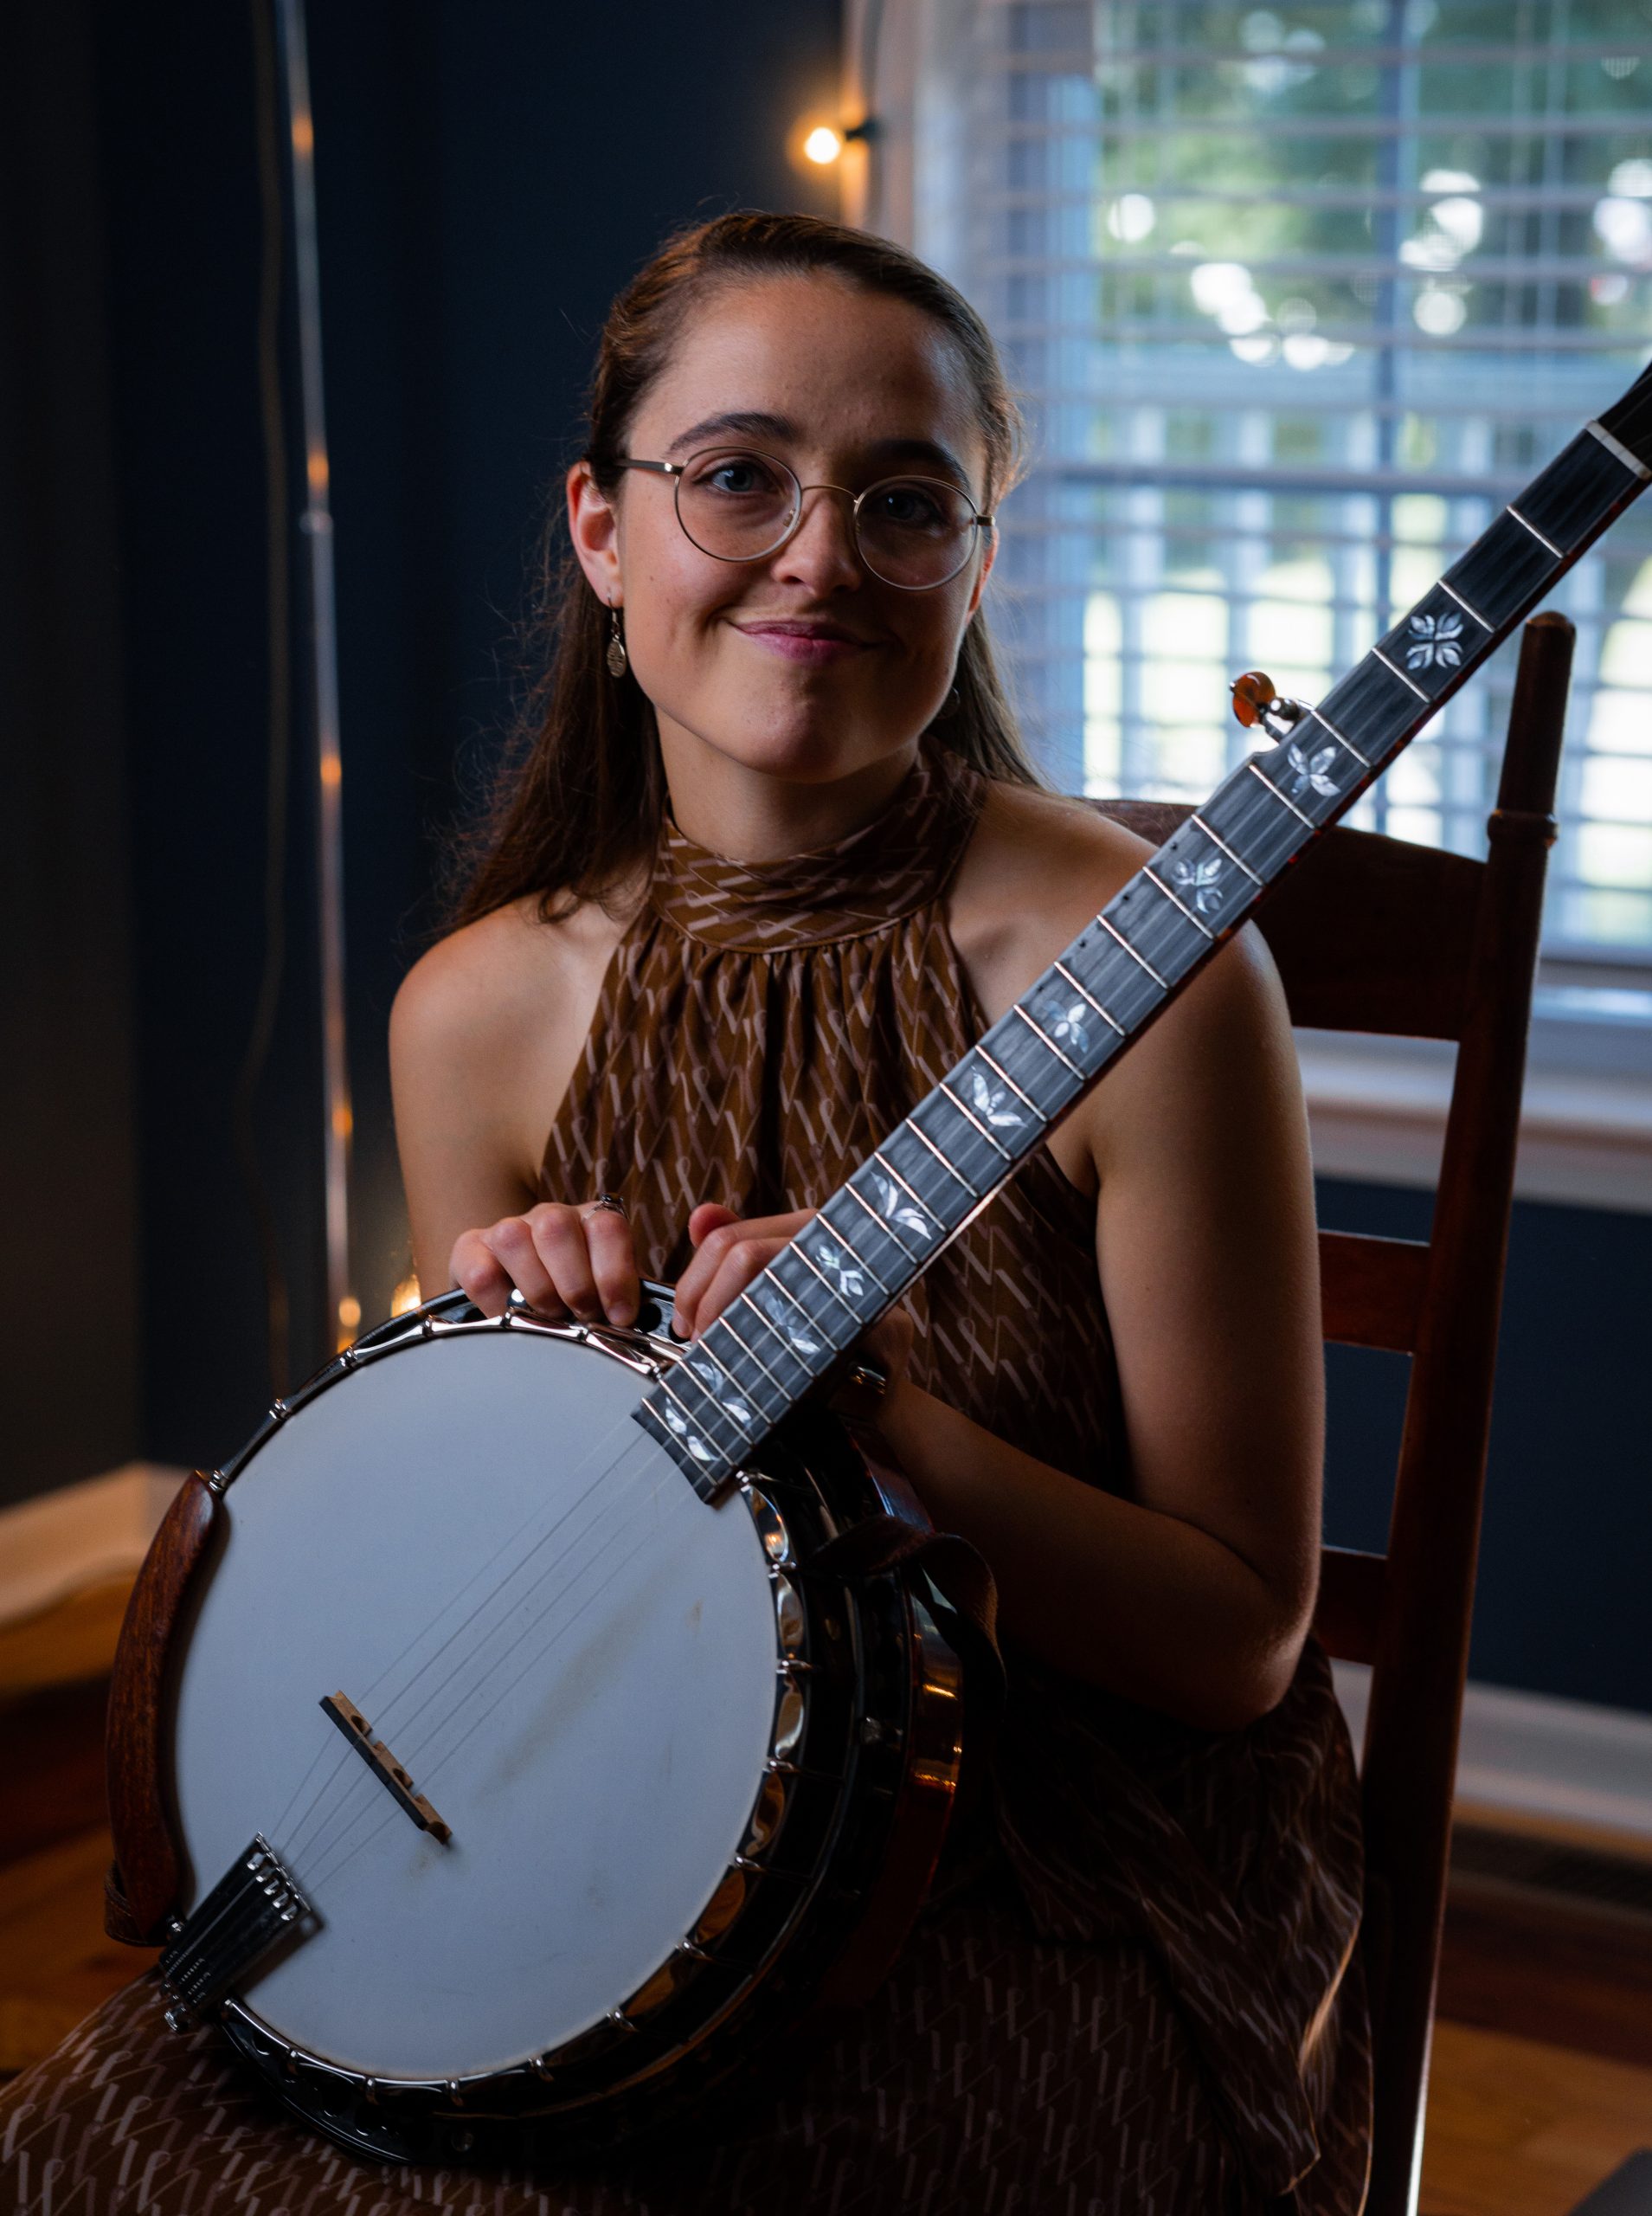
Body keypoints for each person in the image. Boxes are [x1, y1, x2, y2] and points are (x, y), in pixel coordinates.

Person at [0, 211, 1370, 2215]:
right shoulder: (473, 1013)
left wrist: (891, 1431)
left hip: (1066, 1871)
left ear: (973, 563)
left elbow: (1239, 1643)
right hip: (586, 1822)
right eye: (738, 475)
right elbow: (506, 1587)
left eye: (907, 502)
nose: (818, 554)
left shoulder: (1143, 971)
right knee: (98, 2134)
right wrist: (523, 1360)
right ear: (600, 530)